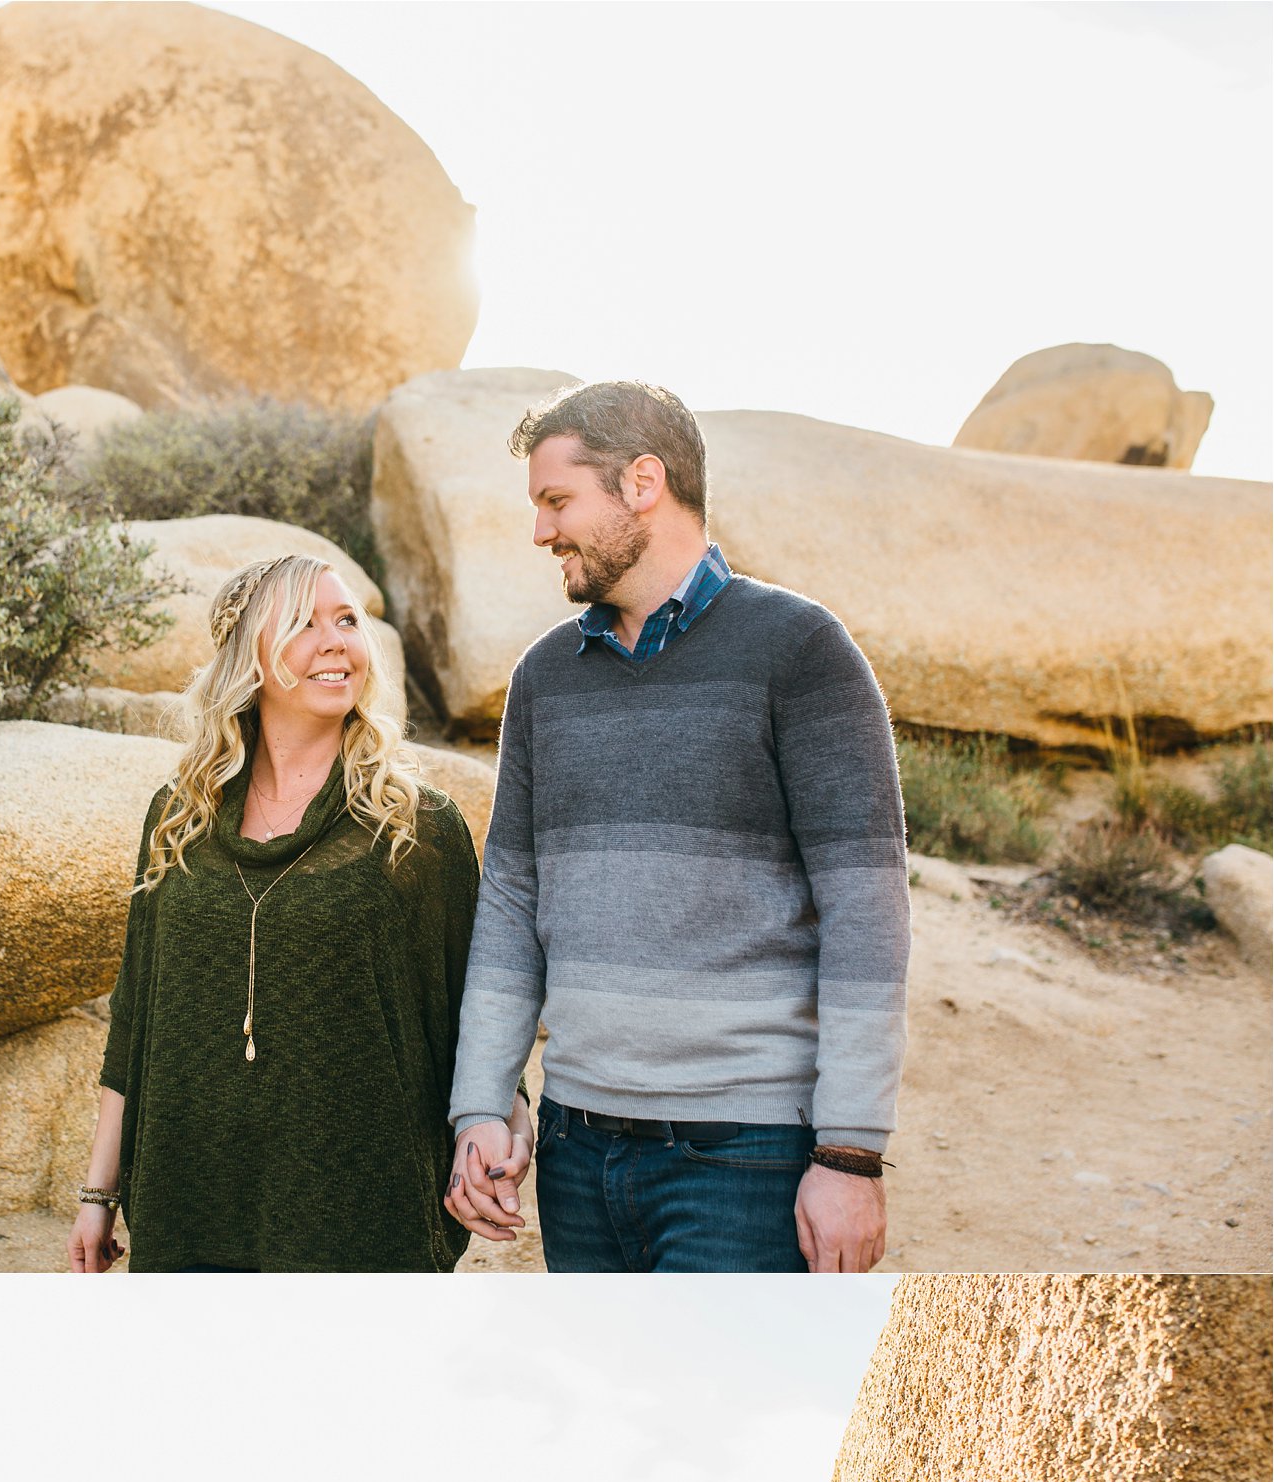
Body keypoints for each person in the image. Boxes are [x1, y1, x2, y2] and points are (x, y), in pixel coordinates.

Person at [444, 379, 911, 1275]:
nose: (542, 531)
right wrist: (481, 1104)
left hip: (744, 1157)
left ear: (643, 482)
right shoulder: (546, 676)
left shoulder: (801, 650)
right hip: (578, 1154)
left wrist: (849, 1152)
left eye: (556, 500)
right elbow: (511, 901)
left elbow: (866, 914)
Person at [67, 552, 530, 1273]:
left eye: (346, 620)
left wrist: (505, 1119)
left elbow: (476, 1003)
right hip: (189, 1193)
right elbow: (136, 1015)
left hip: (359, 1207)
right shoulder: (178, 816)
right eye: (303, 624)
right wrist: (98, 1191)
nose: (336, 641)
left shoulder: (416, 826)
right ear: (247, 655)